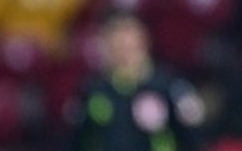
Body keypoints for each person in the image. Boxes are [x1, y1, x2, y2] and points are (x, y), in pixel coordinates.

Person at [71, 12, 205, 151]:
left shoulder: (170, 85)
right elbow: (75, 139)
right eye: (117, 39)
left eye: (129, 38)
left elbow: (192, 136)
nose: (123, 45)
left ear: (144, 40)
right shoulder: (93, 89)